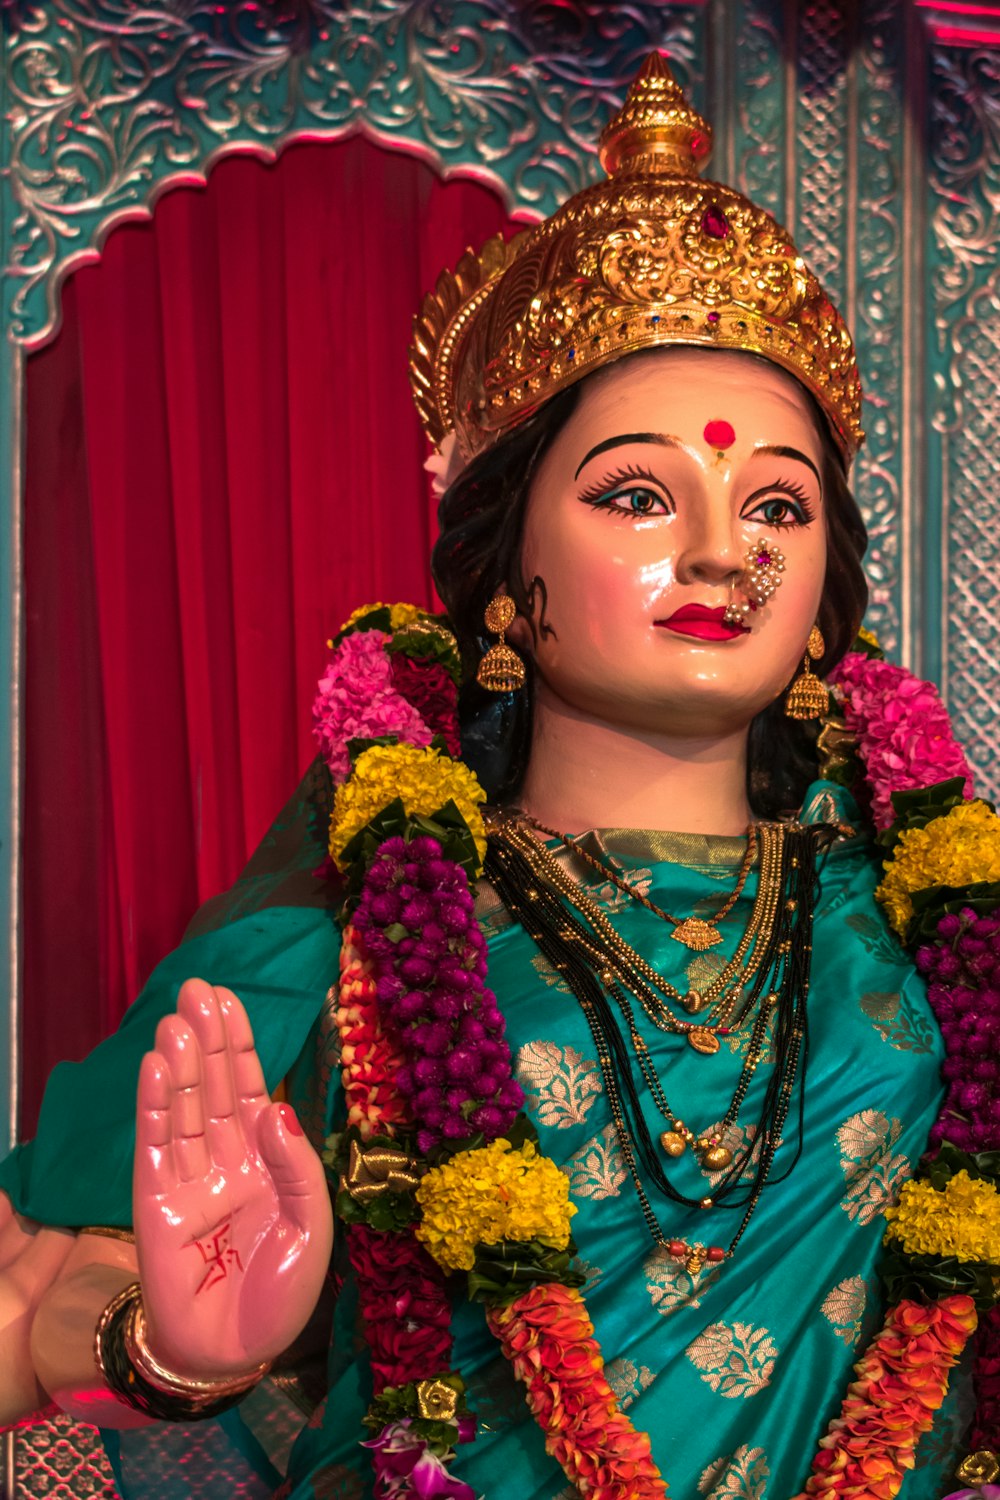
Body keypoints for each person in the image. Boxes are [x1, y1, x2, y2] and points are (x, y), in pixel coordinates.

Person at [0, 53, 993, 1500]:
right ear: (506, 565)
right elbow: (29, 1303)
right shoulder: (336, 938)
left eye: (778, 502)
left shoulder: (933, 923)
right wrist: (176, 1346)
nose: (726, 551)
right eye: (640, 495)